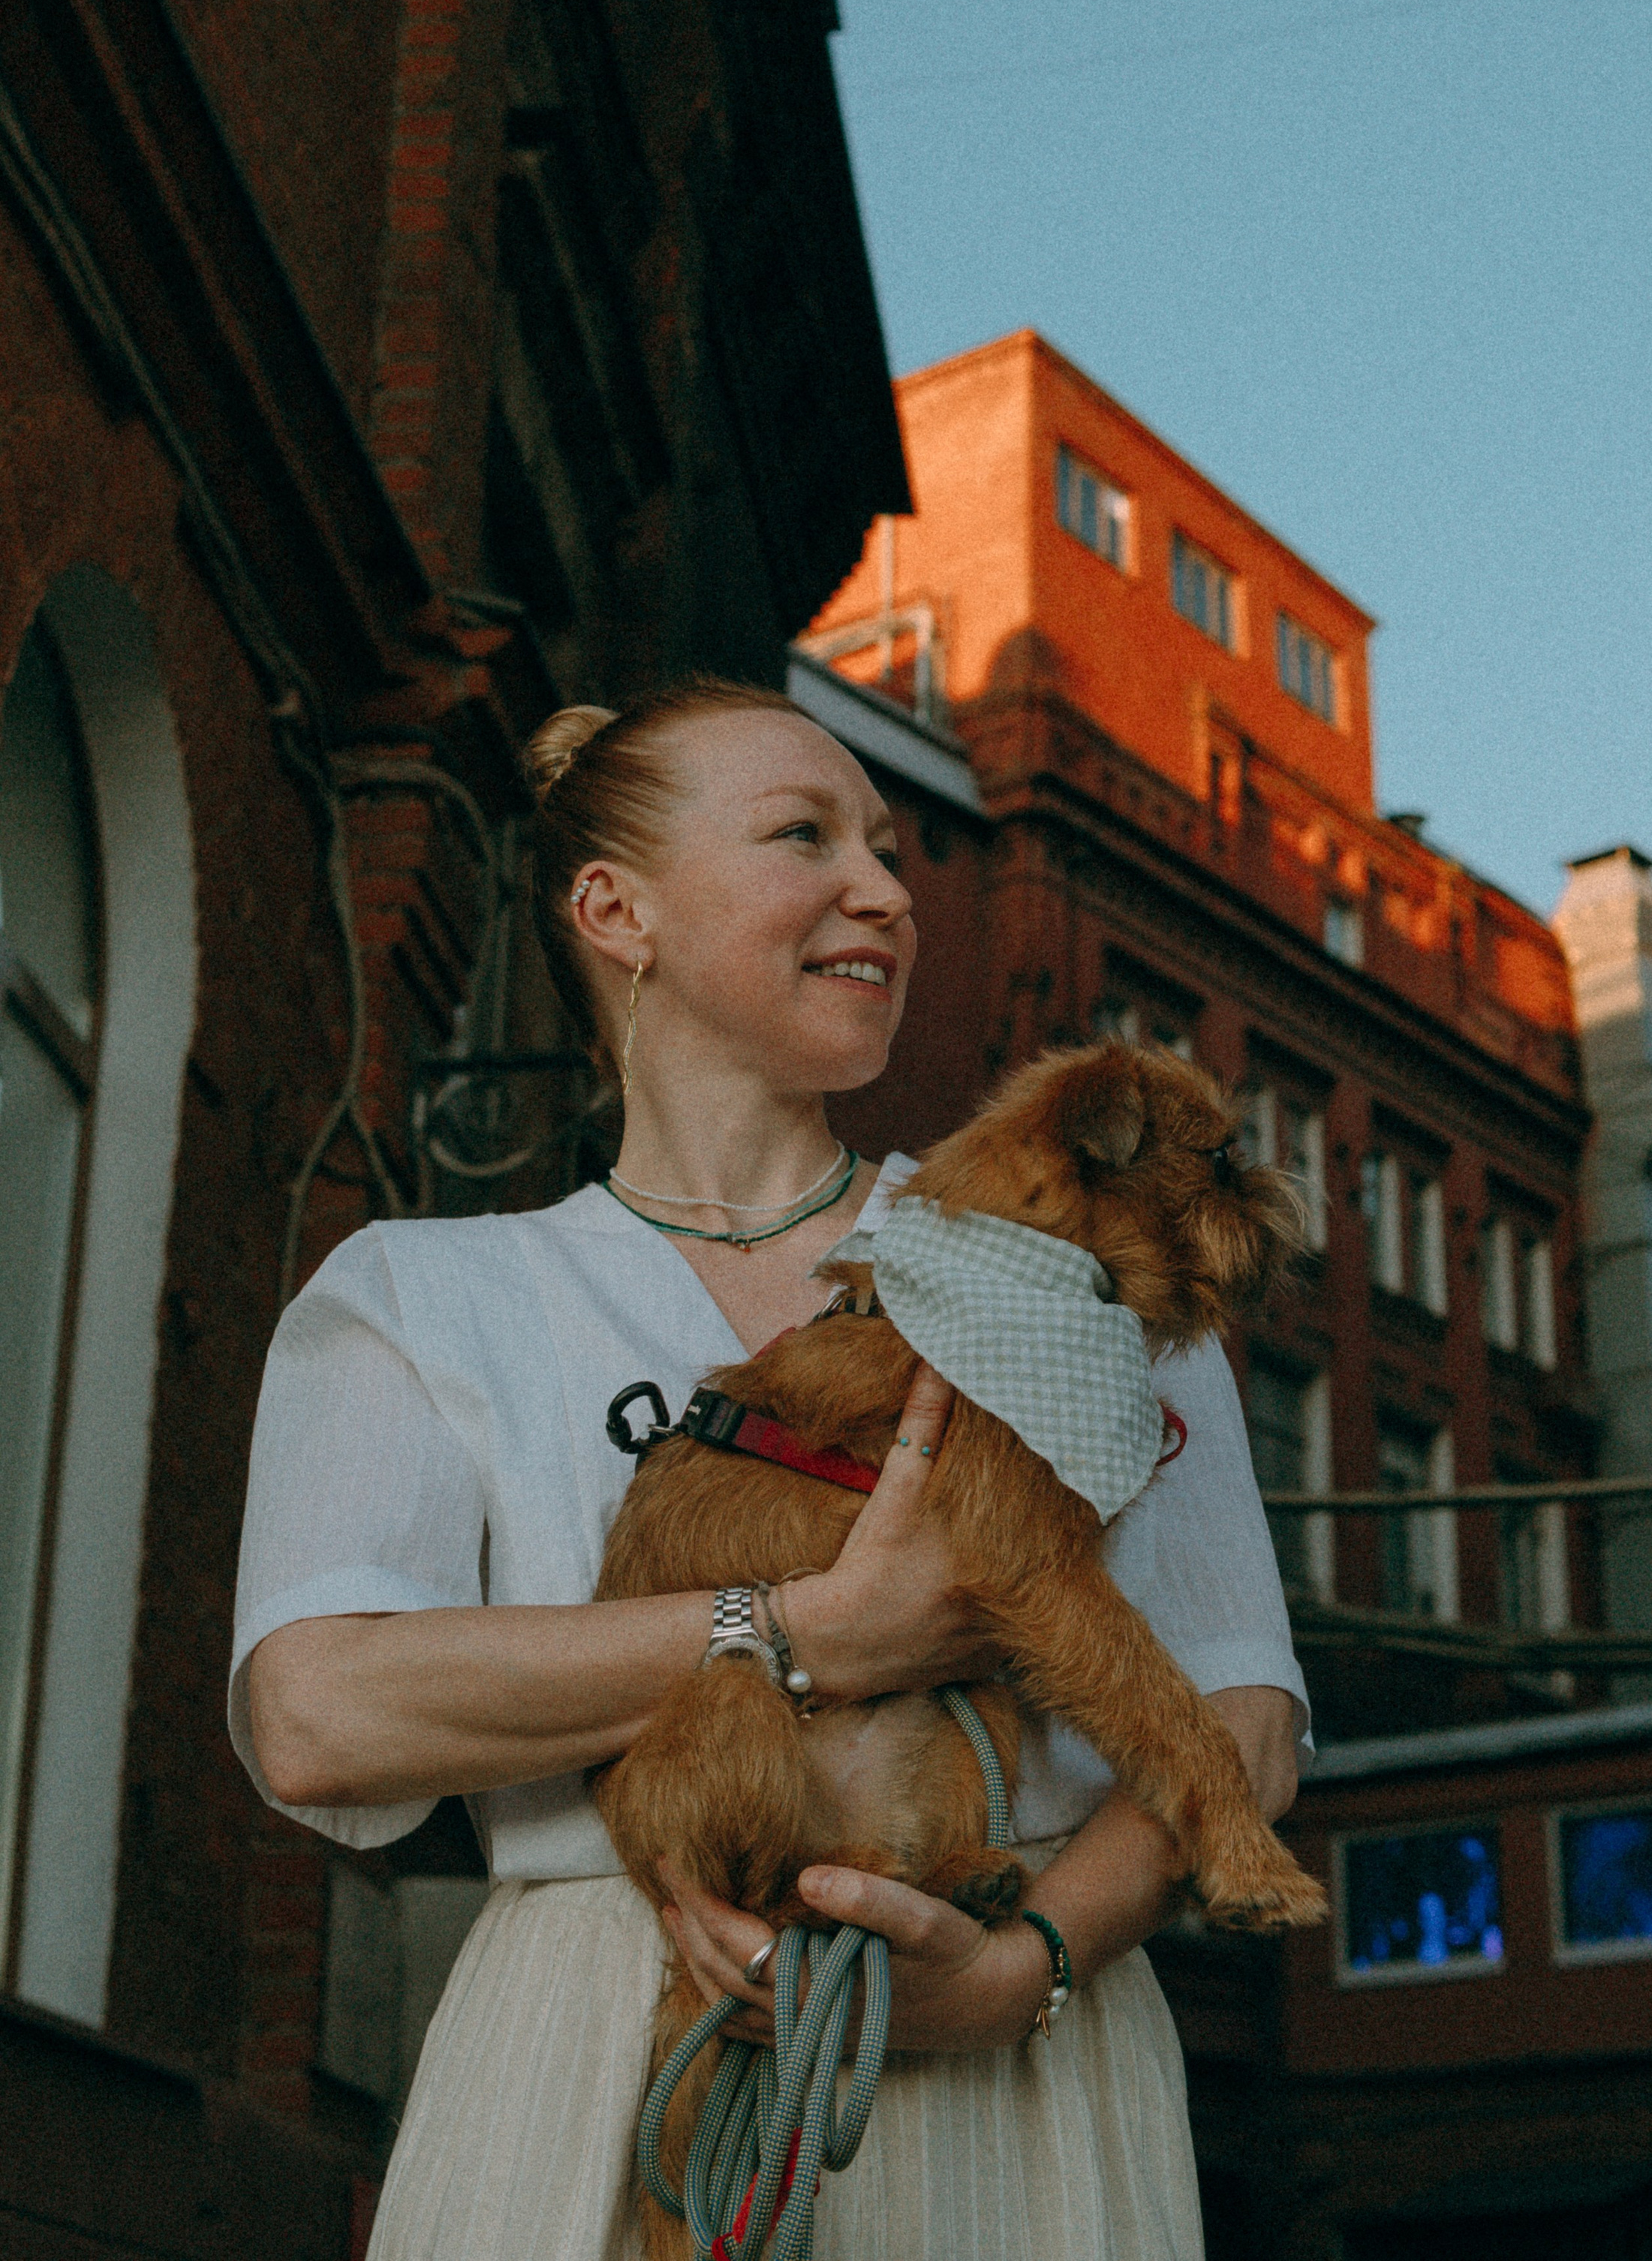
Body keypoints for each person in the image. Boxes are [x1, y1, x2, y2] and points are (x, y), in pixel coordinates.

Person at [230, 677, 1312, 2260]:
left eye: (885, 846)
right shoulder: (425, 1292)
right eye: (803, 835)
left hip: (1010, 2016)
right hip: (610, 2028)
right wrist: (812, 1628)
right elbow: (318, 1713)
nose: (882, 886)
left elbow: (1247, 1722)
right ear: (616, 909)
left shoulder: (1078, 1263)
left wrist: (1023, 1969)